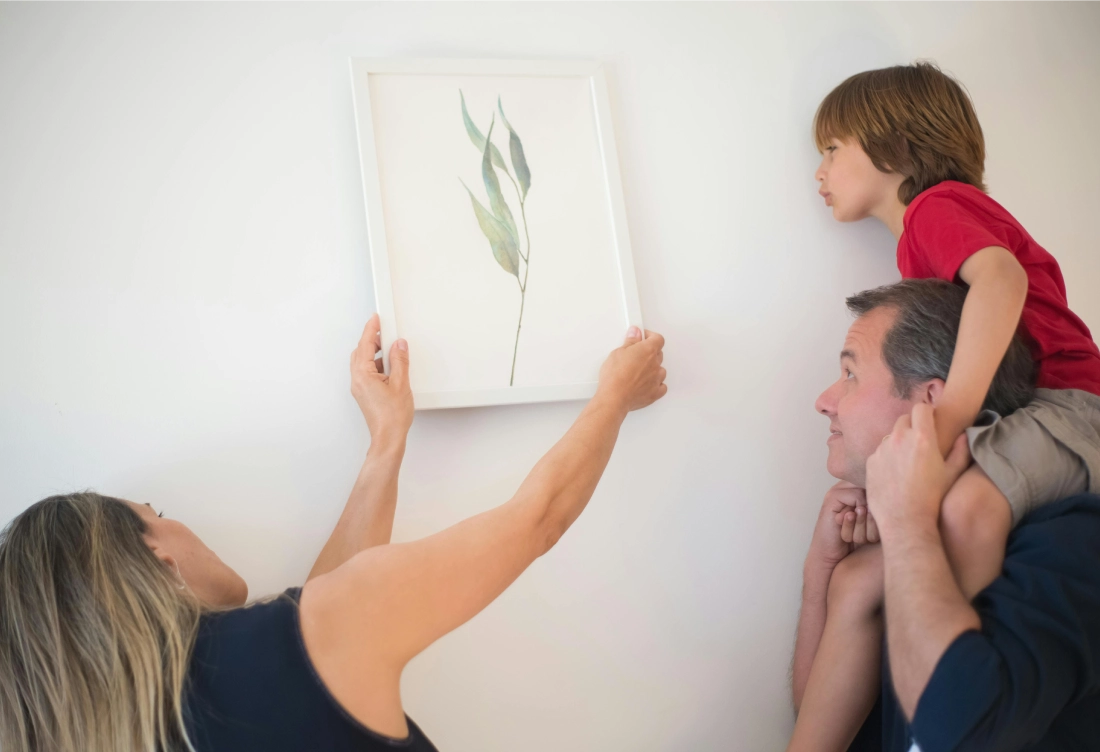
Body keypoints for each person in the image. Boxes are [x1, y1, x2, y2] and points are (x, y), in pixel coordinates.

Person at [0, 314, 667, 752]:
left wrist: (386, 443)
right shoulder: (295, 644)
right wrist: (614, 397)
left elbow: (320, 628)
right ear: (155, 556)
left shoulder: (149, 729)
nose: (174, 521)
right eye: (154, 510)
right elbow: (537, 521)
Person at [792, 62, 1100, 751]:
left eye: (832, 150)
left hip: (1071, 400)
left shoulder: (936, 210)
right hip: (1043, 409)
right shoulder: (921, 240)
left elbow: (1002, 276)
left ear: (896, 151)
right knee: (886, 564)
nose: (820, 172)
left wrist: (955, 411)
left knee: (965, 510)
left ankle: (959, 663)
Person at [793, 280, 1100, 750]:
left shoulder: (1070, 543)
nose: (824, 400)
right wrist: (825, 570)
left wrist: (906, 522)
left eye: (850, 374)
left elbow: (956, 730)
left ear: (931, 402)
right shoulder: (892, 560)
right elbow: (817, 724)